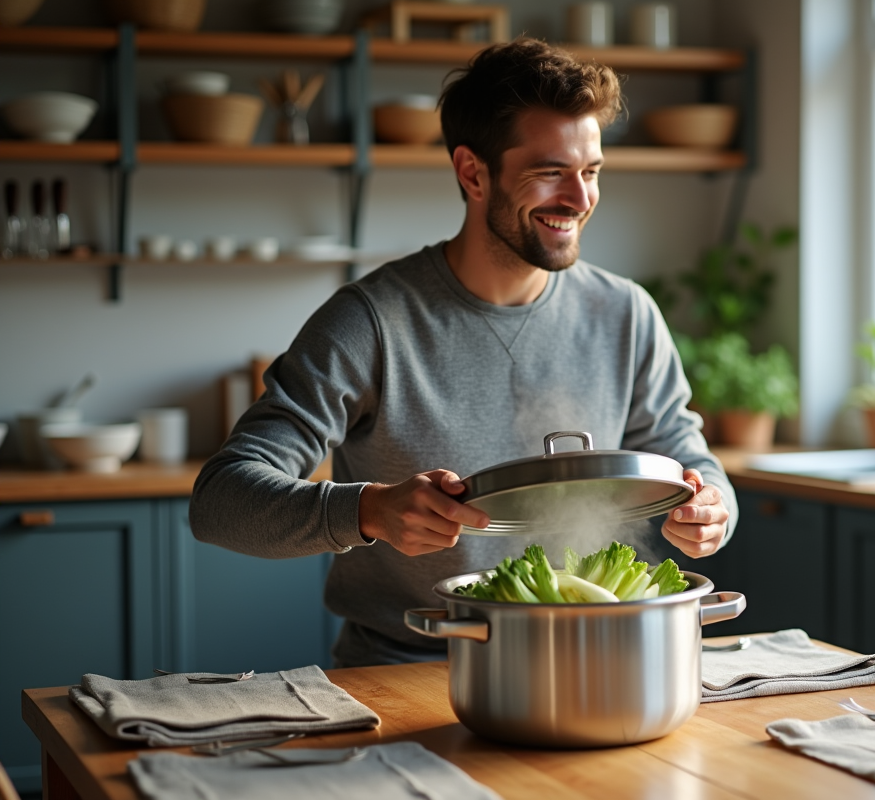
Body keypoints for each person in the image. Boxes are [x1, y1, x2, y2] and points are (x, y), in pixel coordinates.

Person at [190, 39, 738, 667]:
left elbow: (686, 453)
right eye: (550, 172)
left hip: (596, 660)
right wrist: (368, 510)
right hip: (409, 668)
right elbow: (220, 502)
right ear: (473, 173)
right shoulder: (371, 321)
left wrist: (711, 506)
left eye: (591, 172)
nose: (580, 199)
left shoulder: (628, 314)